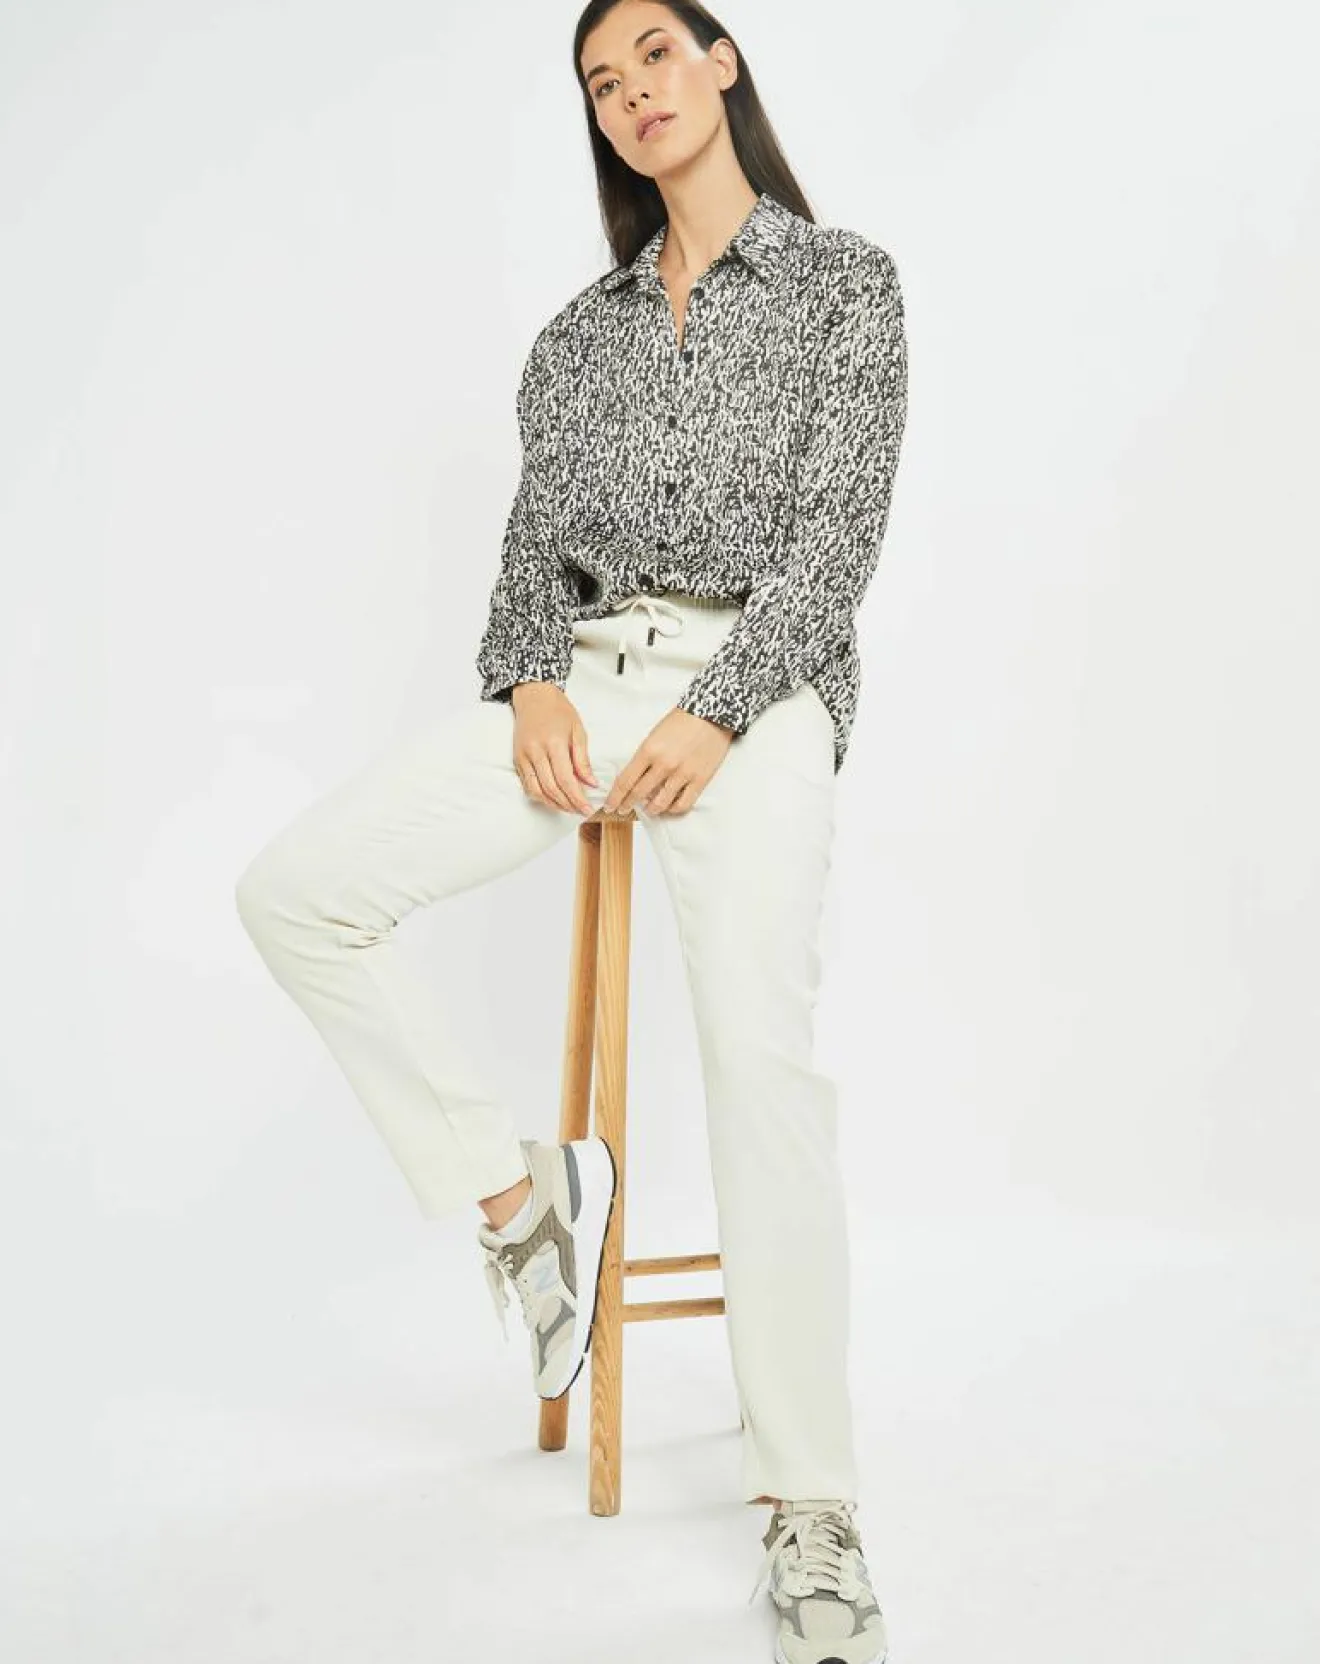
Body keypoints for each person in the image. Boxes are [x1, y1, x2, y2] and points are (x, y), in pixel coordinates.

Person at [235, 2, 907, 1659]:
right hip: (590, 683)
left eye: (654, 60)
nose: (632, 96)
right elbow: (533, 549)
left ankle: (812, 1507)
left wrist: (716, 711)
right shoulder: (577, 337)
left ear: (721, 65)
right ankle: (519, 1203)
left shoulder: (846, 286)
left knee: (762, 1065)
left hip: (761, 692)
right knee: (298, 894)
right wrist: (530, 678)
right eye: (604, 85)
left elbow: (837, 543)